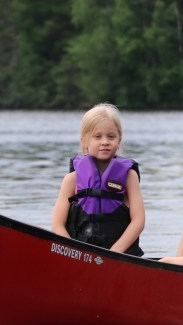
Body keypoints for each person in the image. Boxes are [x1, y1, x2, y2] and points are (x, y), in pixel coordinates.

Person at [52, 103, 145, 255]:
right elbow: (57, 225)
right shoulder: (71, 180)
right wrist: (74, 253)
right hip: (79, 255)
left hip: (120, 255)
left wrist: (115, 252)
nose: (105, 142)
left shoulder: (129, 176)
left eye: (111, 136)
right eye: (97, 136)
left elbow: (138, 221)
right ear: (84, 141)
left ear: (119, 140)